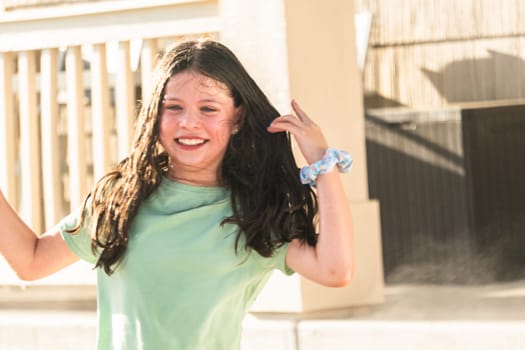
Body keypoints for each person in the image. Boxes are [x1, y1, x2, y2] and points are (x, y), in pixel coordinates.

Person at [0, 39, 354, 350]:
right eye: (174, 107)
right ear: (155, 113)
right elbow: (31, 261)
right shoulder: (119, 200)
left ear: (237, 119)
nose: (188, 123)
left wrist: (323, 164)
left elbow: (336, 270)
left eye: (208, 109)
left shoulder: (255, 216)